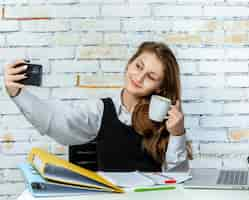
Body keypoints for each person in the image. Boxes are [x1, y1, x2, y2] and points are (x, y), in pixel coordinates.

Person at [4, 41, 189, 172]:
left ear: (160, 87)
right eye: (138, 66)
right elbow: (57, 121)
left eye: (151, 76)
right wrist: (17, 93)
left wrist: (177, 134)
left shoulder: (166, 118)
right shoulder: (100, 110)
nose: (139, 77)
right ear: (129, 63)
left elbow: (178, 177)